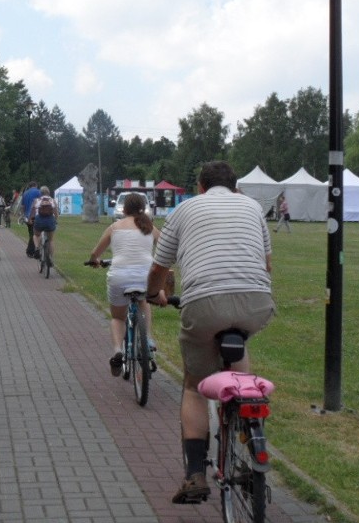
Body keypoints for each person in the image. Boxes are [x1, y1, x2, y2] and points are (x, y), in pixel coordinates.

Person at [145, 161, 274, 505]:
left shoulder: (185, 209)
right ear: (234, 187)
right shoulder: (253, 207)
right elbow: (267, 264)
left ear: (200, 187)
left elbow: (160, 266)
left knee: (194, 385)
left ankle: (195, 474)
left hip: (203, 303)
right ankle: (247, 427)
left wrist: (152, 293)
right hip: (256, 301)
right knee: (239, 343)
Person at [87, 192, 161, 376]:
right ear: (142, 208)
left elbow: (95, 253)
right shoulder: (149, 227)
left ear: (125, 209)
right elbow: (166, 244)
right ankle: (148, 339)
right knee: (144, 301)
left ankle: (118, 351)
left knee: (118, 318)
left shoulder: (114, 227)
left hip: (119, 276)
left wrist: (95, 260)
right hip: (145, 275)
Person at [29, 186, 58, 265]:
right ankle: (51, 259)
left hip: (39, 221)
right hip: (50, 221)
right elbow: (56, 213)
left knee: (36, 235)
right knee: (51, 240)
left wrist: (30, 219)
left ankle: (37, 248)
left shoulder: (37, 200)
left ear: (40, 193)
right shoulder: (52, 200)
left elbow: (32, 211)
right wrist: (56, 220)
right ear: (48, 192)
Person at [21, 181, 41, 257]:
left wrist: (23, 215)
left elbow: (22, 206)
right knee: (35, 234)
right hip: (35, 215)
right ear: (36, 185)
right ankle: (30, 251)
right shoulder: (38, 192)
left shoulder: (25, 193)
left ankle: (31, 250)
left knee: (31, 233)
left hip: (27, 216)